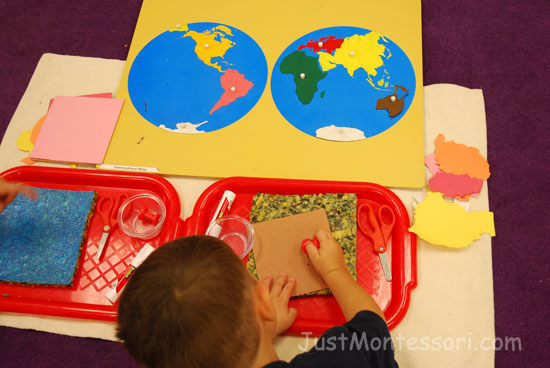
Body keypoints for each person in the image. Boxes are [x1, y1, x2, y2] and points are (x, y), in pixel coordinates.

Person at [116, 229, 398, 368]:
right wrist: (335, 270)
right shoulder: (340, 361)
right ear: (264, 303)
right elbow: (373, 330)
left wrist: (257, 331)